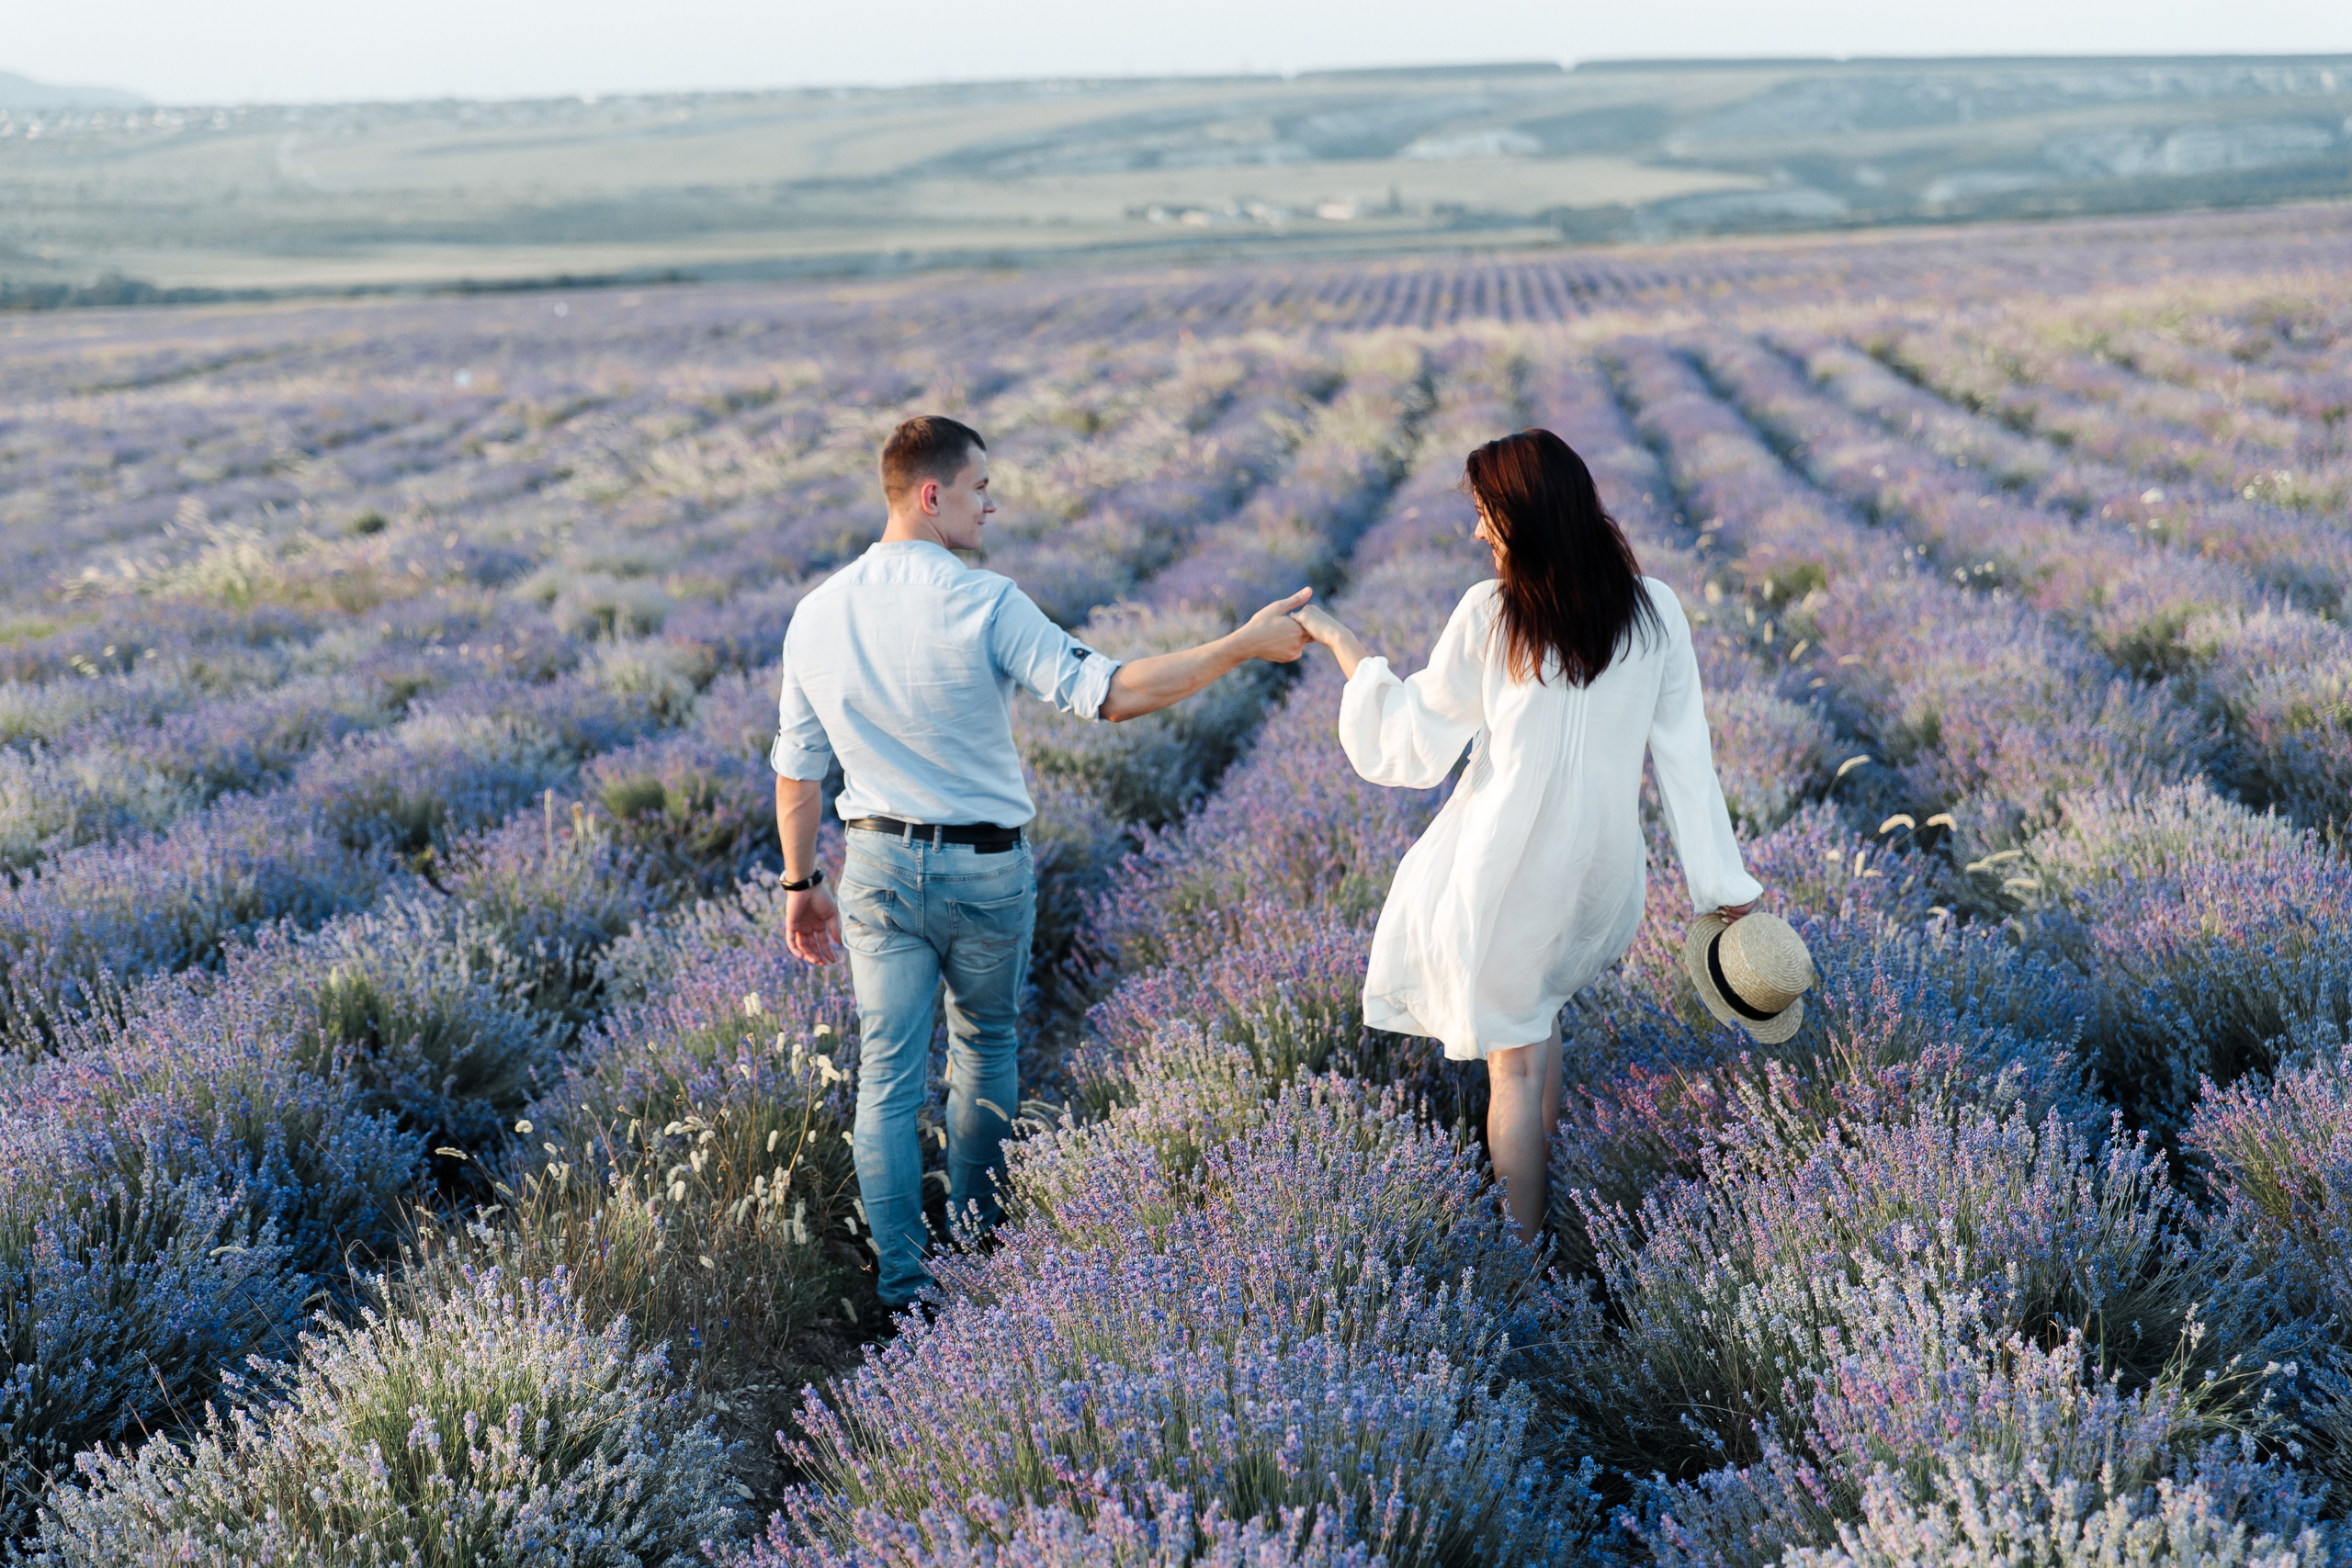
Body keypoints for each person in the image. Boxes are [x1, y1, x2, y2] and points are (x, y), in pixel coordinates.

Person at [773, 414, 1315, 1309]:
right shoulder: (984, 600)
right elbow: (1111, 695)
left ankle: (905, 1288)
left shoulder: (817, 612)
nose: (994, 503)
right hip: (984, 870)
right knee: (985, 1051)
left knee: (888, 1075)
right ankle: (976, 1247)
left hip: (871, 866)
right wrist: (1237, 647)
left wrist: (801, 886)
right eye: (980, 487)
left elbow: (797, 773)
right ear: (931, 493)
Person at [1291, 429, 1763, 1244]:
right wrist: (1722, 894)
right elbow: (1690, 765)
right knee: (1537, 1022)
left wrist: (1344, 644)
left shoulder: (1492, 615)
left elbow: (1408, 741)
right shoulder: (1656, 614)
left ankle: (1522, 1265)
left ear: (1530, 518)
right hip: (1600, 876)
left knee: (1512, 1063)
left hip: (1505, 874)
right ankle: (1545, 1208)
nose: (1479, 534)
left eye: (1488, 516)